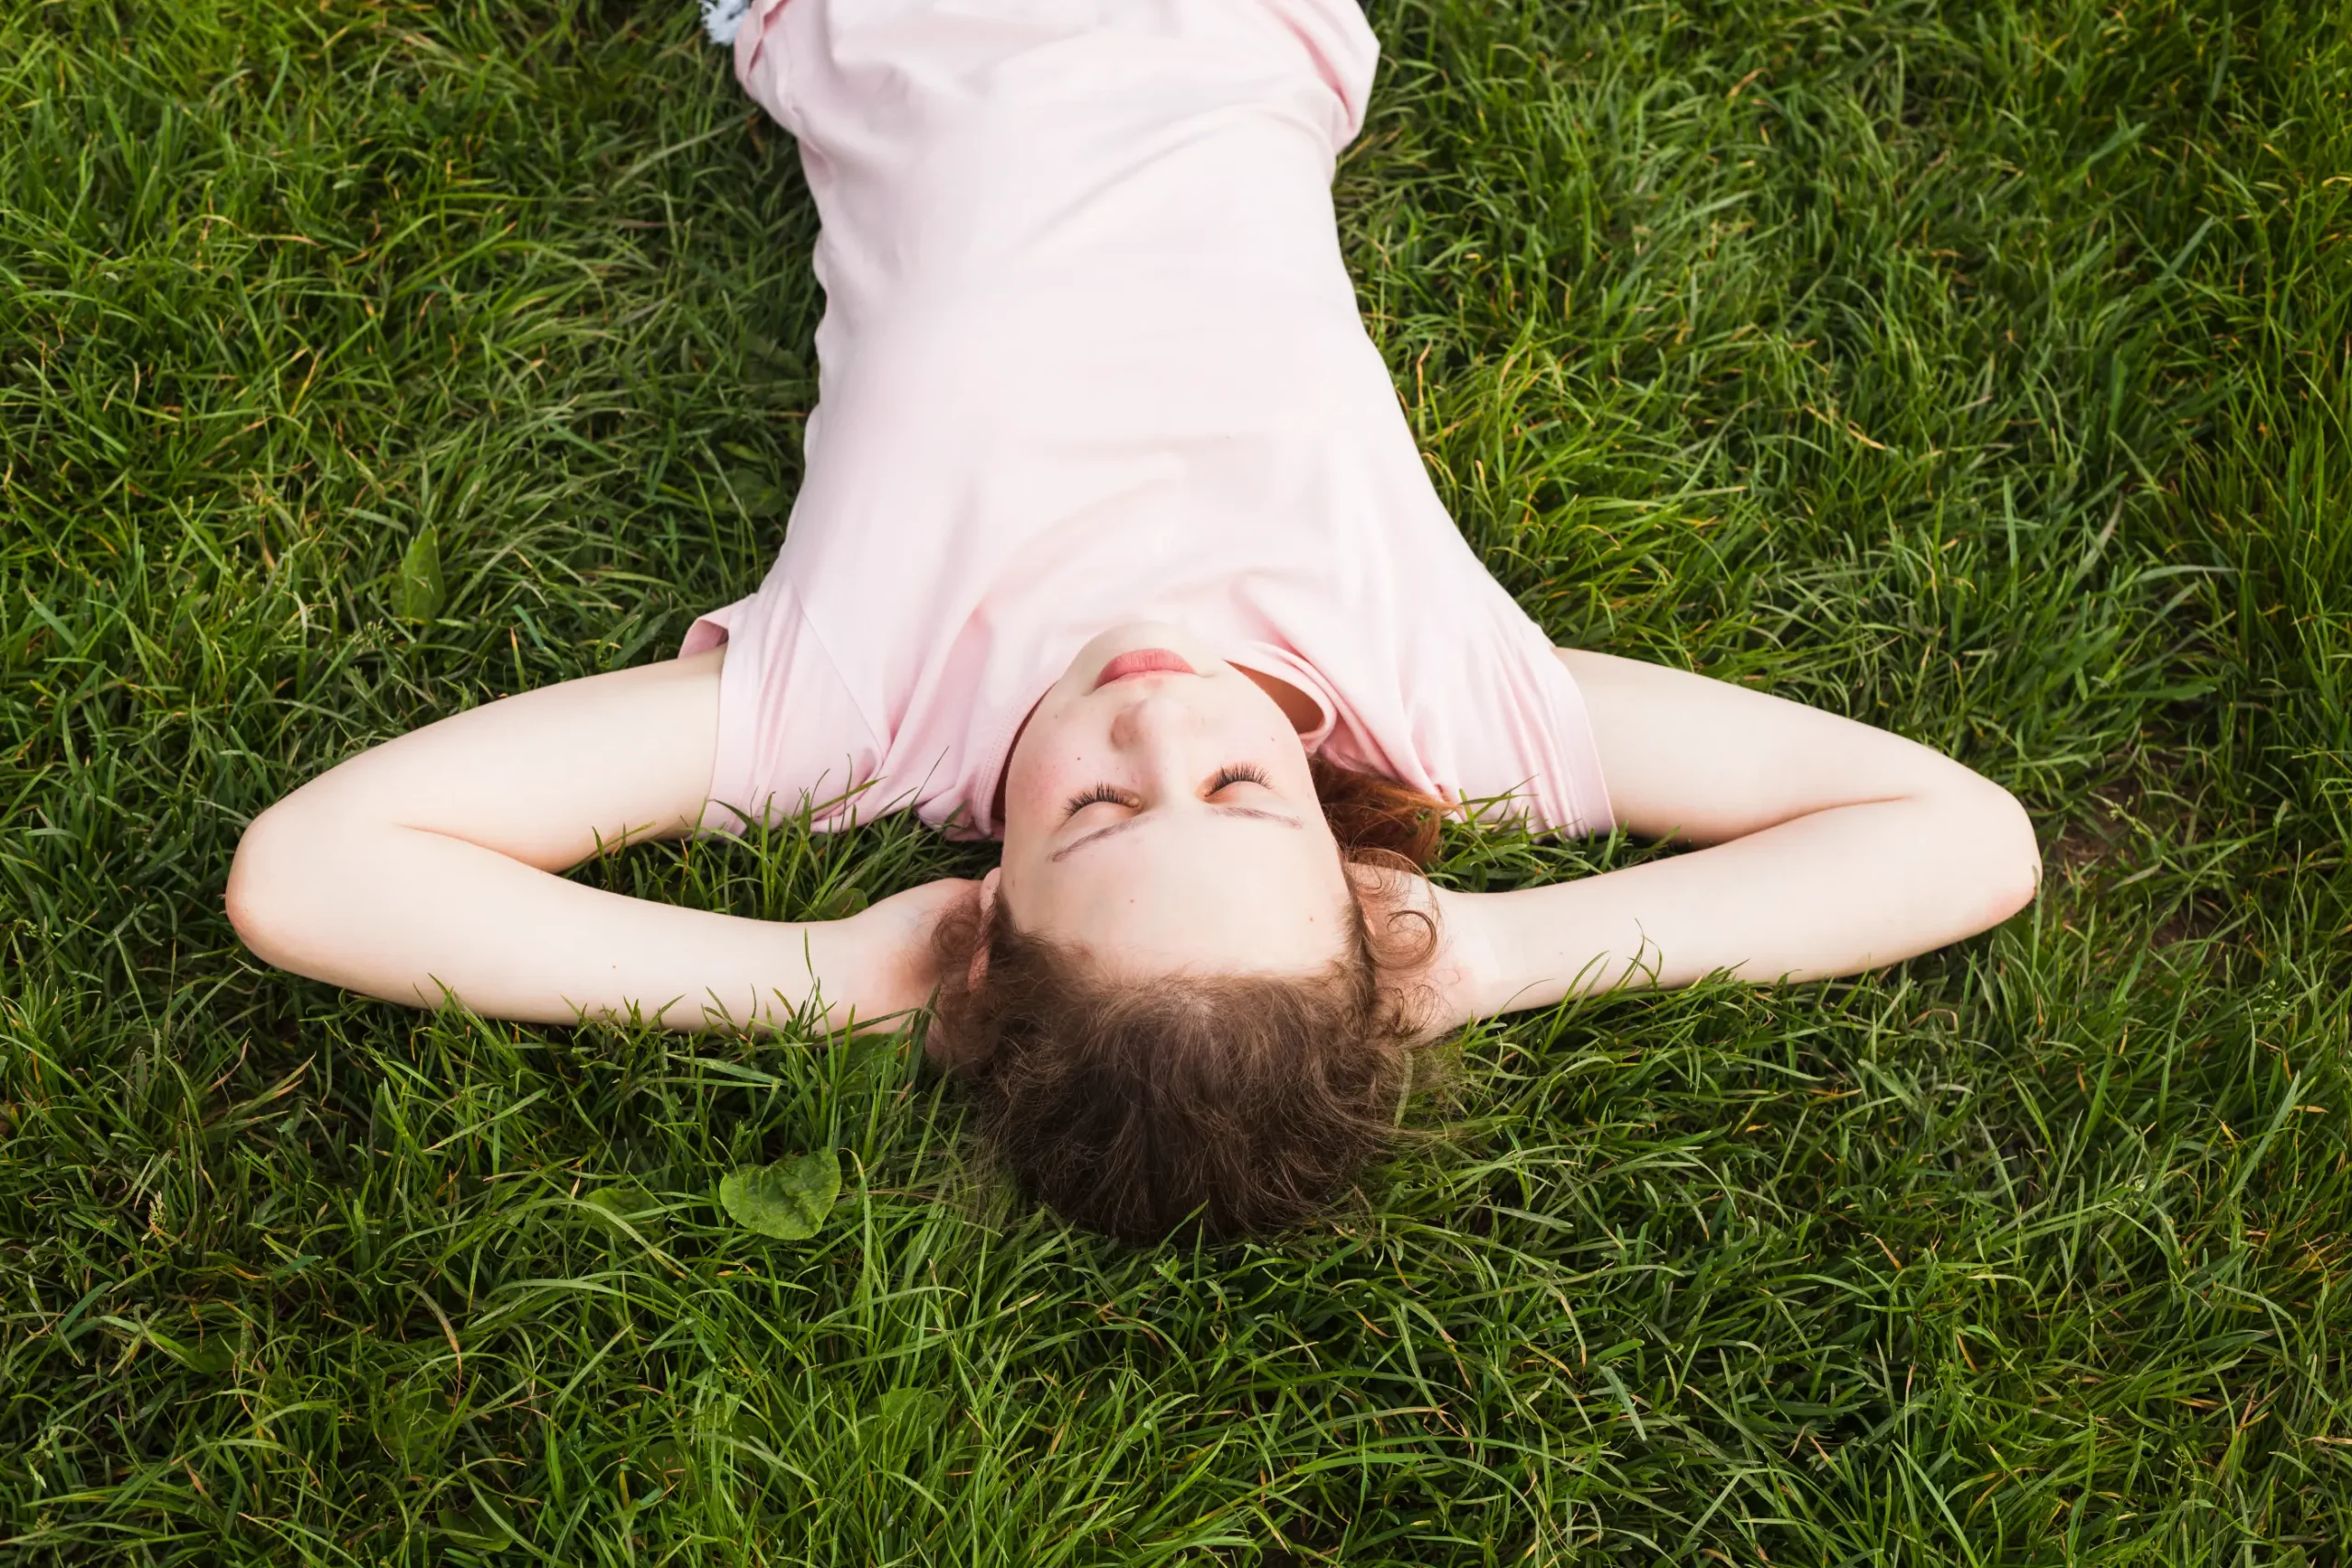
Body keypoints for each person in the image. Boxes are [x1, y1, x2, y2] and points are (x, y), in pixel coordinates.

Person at [226, 0, 2040, 1243]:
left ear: (984, 916)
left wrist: (810, 985)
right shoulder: (1431, 692)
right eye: (1244, 799)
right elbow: (1956, 835)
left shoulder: (856, 708)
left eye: (1099, 810)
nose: (1161, 727)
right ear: (1357, 882)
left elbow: (312, 871)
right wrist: (1485, 954)